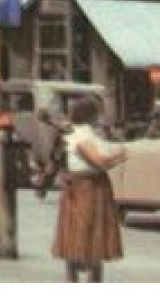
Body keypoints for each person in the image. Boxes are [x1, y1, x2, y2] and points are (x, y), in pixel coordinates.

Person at [52, 97, 126, 283]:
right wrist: (121, 155)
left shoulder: (80, 132)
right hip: (87, 187)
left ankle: (79, 281)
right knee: (87, 235)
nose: (101, 117)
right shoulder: (81, 135)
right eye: (98, 113)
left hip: (85, 185)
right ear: (91, 115)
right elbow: (99, 161)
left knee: (83, 235)